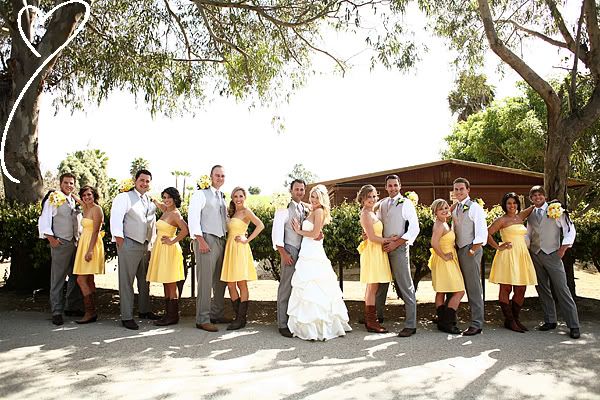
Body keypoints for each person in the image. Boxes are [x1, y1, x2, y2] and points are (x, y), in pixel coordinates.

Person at [287, 184, 351, 341]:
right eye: (312, 196)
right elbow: (306, 206)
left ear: (321, 199)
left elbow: (315, 233)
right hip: (307, 250)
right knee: (307, 287)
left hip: (313, 252)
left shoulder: (320, 211)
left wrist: (298, 231)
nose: (313, 199)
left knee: (316, 287)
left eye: (316, 197)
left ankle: (320, 327)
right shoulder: (313, 209)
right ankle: (307, 326)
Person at [527, 185, 580, 339]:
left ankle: (574, 325)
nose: (537, 198)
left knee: (562, 289)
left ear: (544, 196)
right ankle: (550, 320)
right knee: (542, 288)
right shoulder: (531, 214)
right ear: (531, 198)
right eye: (534, 196)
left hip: (552, 254)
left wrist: (562, 249)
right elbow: (529, 233)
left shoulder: (556, 210)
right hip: (536, 254)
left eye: (540, 195)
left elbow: (570, 230)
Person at [110, 169, 158, 330]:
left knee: (145, 280)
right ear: (135, 181)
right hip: (129, 244)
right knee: (127, 282)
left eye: (147, 181)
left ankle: (144, 310)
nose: (144, 183)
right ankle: (127, 316)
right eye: (142, 180)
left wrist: (151, 243)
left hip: (145, 245)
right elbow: (116, 218)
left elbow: (152, 224)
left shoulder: (150, 202)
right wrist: (120, 240)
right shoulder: (124, 197)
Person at [376, 175, 420, 337]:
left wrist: (397, 243)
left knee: (405, 284)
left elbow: (414, 228)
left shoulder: (406, 203)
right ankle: (377, 316)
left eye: (395, 185)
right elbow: (378, 224)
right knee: (381, 283)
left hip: (399, 248)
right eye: (390, 186)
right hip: (383, 247)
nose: (393, 188)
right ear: (386, 187)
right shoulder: (382, 204)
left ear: (400, 186)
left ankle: (411, 324)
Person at [38, 172, 83, 325]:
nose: (69, 185)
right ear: (60, 183)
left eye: (71, 183)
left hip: (75, 243)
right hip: (61, 242)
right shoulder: (53, 198)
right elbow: (44, 219)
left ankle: (71, 307)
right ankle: (57, 311)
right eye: (66, 183)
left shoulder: (73, 200)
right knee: (58, 279)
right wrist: (51, 239)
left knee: (75, 276)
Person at [188, 165, 230, 332]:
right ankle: (202, 319)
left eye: (222, 176)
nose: (220, 178)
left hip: (221, 240)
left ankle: (216, 313)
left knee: (220, 281)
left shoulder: (221, 197)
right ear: (211, 177)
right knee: (205, 281)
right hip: (206, 239)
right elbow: (193, 218)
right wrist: (200, 240)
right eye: (217, 175)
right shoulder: (200, 194)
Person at [487, 192, 536, 333]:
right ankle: (510, 320)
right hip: (507, 255)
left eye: (514, 203)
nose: (512, 205)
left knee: (521, 289)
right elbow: (487, 233)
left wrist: (552, 204)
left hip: (521, 255)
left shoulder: (520, 216)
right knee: (506, 288)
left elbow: (535, 206)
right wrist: (498, 246)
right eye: (509, 203)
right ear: (504, 205)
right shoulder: (501, 220)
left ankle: (515, 319)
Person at [220, 187, 265, 330]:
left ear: (244, 197)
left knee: (241, 284)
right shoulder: (232, 212)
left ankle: (240, 319)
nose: (238, 199)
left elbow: (260, 225)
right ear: (232, 198)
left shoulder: (246, 211)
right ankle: (238, 317)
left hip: (240, 249)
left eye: (240, 196)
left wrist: (247, 239)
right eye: (235, 196)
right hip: (230, 249)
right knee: (230, 284)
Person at [271, 179, 309, 338]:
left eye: (302, 189)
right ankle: (282, 324)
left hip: (303, 251)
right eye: (297, 189)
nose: (299, 192)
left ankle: (293, 321)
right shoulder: (283, 208)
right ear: (291, 190)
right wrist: (283, 253)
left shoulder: (304, 207)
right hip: (289, 250)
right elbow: (276, 232)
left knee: (298, 287)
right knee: (285, 287)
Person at [147, 187, 188, 326]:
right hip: (161, 250)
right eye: (164, 197)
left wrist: (172, 240)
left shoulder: (175, 214)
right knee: (165, 281)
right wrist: (151, 197)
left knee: (171, 282)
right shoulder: (166, 209)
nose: (166, 200)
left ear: (175, 198)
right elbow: (159, 203)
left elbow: (185, 229)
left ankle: (173, 316)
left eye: (168, 197)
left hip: (169, 250)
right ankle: (168, 314)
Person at [451, 177, 488, 336]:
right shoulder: (455, 208)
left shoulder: (475, 208)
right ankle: (451, 319)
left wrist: (472, 250)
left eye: (461, 189)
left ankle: (477, 323)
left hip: (470, 249)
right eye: (456, 189)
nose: (458, 191)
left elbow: (482, 232)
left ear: (468, 190)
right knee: (456, 285)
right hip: (457, 249)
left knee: (473, 287)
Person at [357, 185, 393, 333]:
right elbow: (371, 237)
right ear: (363, 199)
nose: (372, 199)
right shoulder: (365, 213)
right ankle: (371, 321)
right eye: (368, 197)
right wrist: (389, 240)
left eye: (374, 196)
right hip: (372, 252)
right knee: (373, 287)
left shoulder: (372, 212)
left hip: (377, 251)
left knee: (373, 286)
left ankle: (369, 319)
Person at [428, 199, 465, 334]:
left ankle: (442, 320)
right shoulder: (439, 225)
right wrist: (444, 256)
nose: (444, 210)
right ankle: (447, 323)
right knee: (459, 291)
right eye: (441, 209)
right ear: (435, 212)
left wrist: (456, 203)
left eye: (445, 208)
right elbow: (434, 243)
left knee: (442, 291)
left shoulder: (443, 222)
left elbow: (449, 208)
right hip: (444, 261)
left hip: (447, 260)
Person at [72, 185, 105, 324]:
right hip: (84, 243)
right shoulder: (86, 207)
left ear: (94, 195)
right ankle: (92, 312)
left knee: (81, 279)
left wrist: (90, 250)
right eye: (84, 195)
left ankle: (90, 312)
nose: (86, 197)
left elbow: (96, 231)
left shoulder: (97, 209)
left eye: (89, 195)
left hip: (91, 244)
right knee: (89, 279)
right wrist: (69, 194)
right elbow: (79, 200)